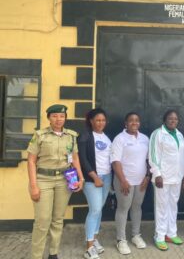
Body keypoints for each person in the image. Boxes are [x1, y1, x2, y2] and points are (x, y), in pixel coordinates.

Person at [26, 104, 84, 259]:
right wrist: (33, 186)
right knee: (42, 221)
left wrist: (81, 178)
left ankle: (53, 253)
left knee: (58, 219)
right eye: (55, 116)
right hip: (43, 180)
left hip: (64, 181)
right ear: (49, 118)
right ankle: (36, 256)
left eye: (62, 116)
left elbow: (75, 158)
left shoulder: (71, 136)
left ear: (65, 118)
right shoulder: (40, 135)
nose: (59, 119)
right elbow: (31, 161)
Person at [149, 109, 184, 251]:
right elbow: (153, 156)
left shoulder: (179, 134)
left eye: (176, 119)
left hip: (177, 177)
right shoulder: (158, 134)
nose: (173, 120)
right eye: (170, 118)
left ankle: (171, 234)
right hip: (163, 178)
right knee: (161, 207)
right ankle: (159, 236)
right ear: (165, 119)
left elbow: (182, 156)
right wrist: (157, 174)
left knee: (173, 205)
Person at [111, 112, 150, 255]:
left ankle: (136, 235)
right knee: (123, 208)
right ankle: (121, 240)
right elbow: (116, 162)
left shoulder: (145, 138)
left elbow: (149, 160)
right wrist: (122, 180)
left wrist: (147, 176)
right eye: (131, 120)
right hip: (124, 181)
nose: (134, 123)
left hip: (141, 181)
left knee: (137, 207)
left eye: (137, 120)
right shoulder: (119, 139)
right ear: (125, 123)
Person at [78, 108, 112, 259]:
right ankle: (89, 247)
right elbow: (82, 159)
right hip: (92, 178)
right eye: (97, 120)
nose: (100, 123)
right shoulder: (85, 136)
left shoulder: (106, 137)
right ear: (91, 121)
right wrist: (94, 176)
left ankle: (95, 239)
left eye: (103, 120)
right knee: (95, 210)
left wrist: (108, 178)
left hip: (107, 176)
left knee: (99, 209)